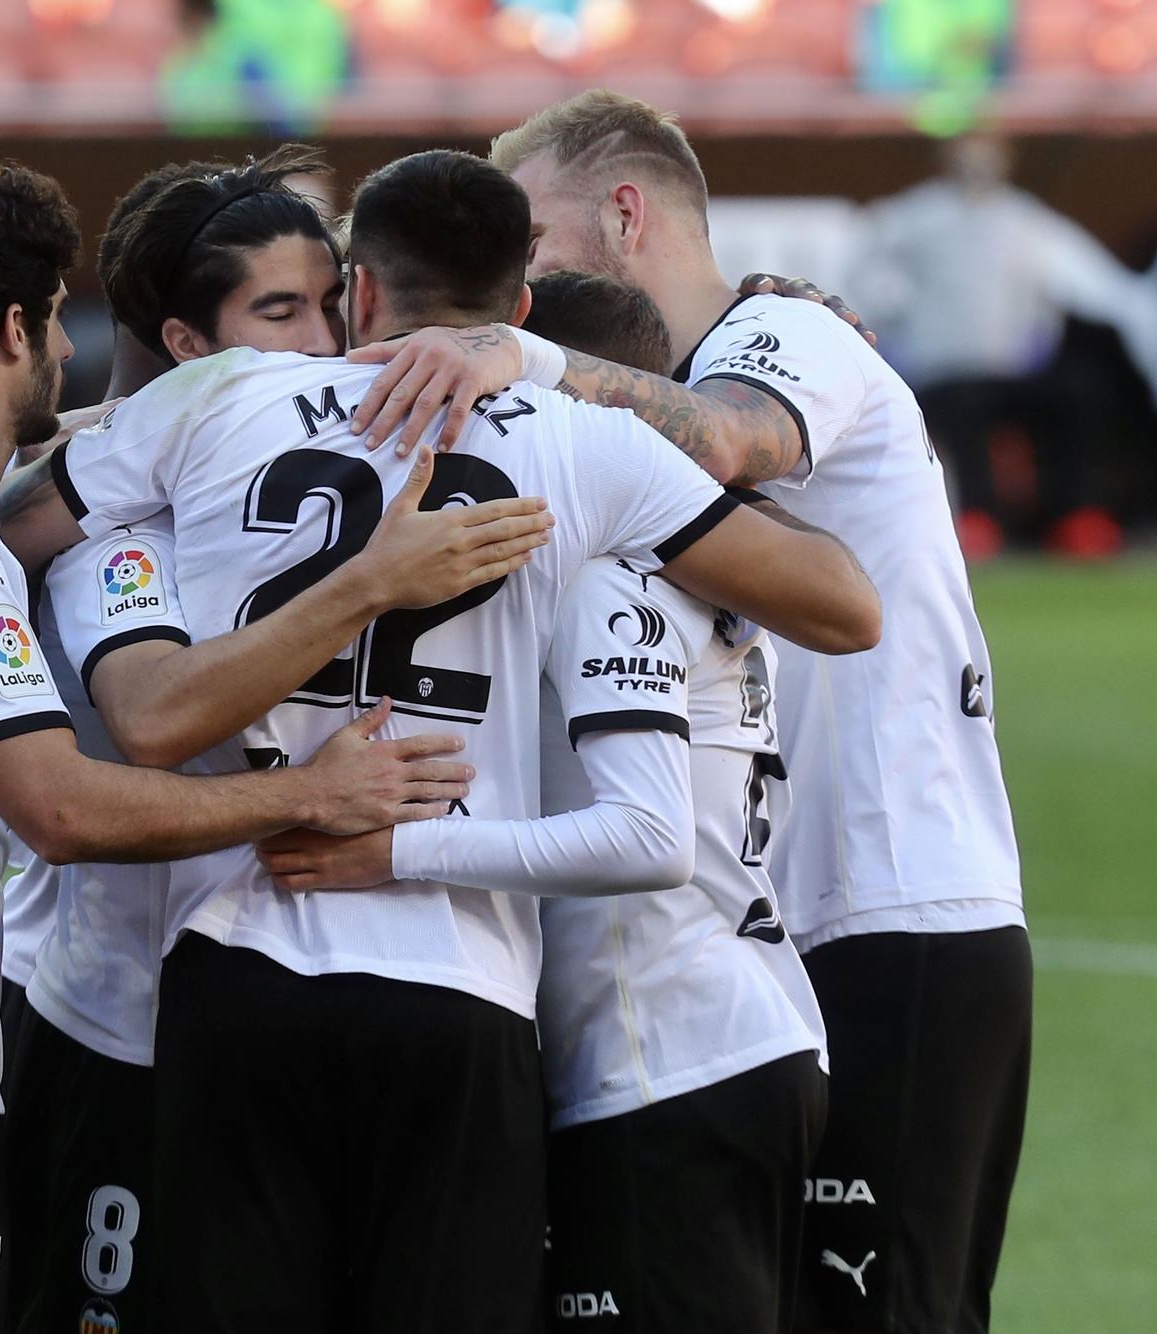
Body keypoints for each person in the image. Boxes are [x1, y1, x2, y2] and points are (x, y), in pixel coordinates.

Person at [0, 147, 878, 1333]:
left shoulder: (209, 401)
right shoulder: (578, 442)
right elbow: (841, 606)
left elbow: (7, 527)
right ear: (516, 307)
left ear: (357, 289)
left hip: (234, 961)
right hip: (457, 989)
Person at [0, 148, 556, 1334]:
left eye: (331, 301)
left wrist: (519, 348)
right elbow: (130, 707)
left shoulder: (264, 448)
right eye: (281, 310)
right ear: (191, 339)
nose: (324, 343)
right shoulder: (95, 511)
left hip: (256, 1010)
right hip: (104, 1011)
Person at [354, 91, 1032, 1334]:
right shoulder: (629, 423)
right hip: (773, 937)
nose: (515, 285)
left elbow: (730, 439)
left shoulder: (784, 337)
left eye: (537, 245)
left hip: (892, 903)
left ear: (623, 214)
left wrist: (534, 356)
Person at [262, 271, 834, 1334]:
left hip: (663, 1058)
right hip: (730, 1031)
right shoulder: (685, 561)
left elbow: (646, 835)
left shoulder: (599, 573)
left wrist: (398, 848)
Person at [859, 128, 1157, 557]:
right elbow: (865, 278)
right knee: (964, 405)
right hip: (939, 374)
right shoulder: (910, 220)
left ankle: (1076, 514)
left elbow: (1097, 285)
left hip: (1010, 371)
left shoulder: (1026, 222)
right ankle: (977, 517)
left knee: (1079, 392)